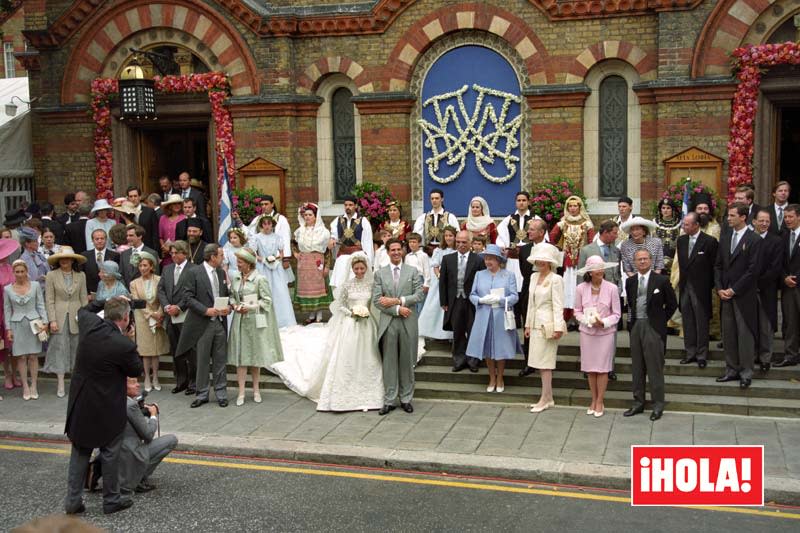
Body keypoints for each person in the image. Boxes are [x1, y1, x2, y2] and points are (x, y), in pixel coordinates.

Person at [272, 253, 385, 411]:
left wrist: (366, 313)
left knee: (369, 356)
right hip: (351, 323)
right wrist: (351, 313)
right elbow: (340, 305)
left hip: (367, 324)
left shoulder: (370, 285)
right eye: (356, 268)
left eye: (362, 268)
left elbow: (374, 304)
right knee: (347, 354)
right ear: (352, 269)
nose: (359, 271)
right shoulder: (347, 285)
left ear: (366, 268)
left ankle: (369, 391)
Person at [63, 297, 143, 515]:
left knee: (80, 451)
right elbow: (137, 370)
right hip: (108, 405)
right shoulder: (123, 344)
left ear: (106, 314)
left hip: (81, 402)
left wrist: (105, 300)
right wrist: (130, 339)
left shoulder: (89, 325)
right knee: (109, 452)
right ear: (126, 318)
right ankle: (111, 500)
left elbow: (83, 308)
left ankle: (72, 501)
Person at [624, 249, 678, 421]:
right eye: (639, 259)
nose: (642, 262)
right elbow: (631, 305)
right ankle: (638, 402)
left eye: (645, 259)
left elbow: (672, 304)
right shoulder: (631, 281)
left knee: (654, 367)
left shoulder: (661, 280)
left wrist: (660, 321)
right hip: (636, 326)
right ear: (634, 261)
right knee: (637, 367)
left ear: (651, 260)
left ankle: (658, 404)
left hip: (653, 327)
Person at [372, 238, 424, 415]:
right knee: (390, 362)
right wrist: (396, 309)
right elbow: (377, 301)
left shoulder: (413, 271)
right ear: (387, 252)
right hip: (389, 322)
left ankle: (406, 398)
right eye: (392, 250)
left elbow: (418, 295)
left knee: (407, 361)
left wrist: (398, 301)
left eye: (398, 249)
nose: (395, 252)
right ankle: (389, 399)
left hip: (408, 321)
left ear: (402, 251)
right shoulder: (380, 273)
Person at [176, 244, 231, 408]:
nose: (223, 258)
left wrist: (228, 307)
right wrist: (205, 310)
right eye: (221, 255)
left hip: (219, 322)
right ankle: (202, 393)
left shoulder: (221, 272)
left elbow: (224, 295)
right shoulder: (193, 272)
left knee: (220, 360)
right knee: (202, 360)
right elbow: (187, 297)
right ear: (212, 256)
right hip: (202, 323)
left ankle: (221, 392)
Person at [714, 203, 762, 389]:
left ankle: (746, 372)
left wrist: (734, 289)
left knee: (745, 335)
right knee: (729, 335)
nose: (728, 218)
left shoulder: (754, 239)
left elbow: (753, 270)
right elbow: (718, 266)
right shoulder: (725, 238)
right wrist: (720, 288)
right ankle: (731, 369)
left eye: (732, 215)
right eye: (728, 215)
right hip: (725, 295)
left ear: (743, 217)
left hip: (743, 296)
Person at [228, 248, 284, 405]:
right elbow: (232, 296)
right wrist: (235, 305)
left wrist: (250, 306)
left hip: (254, 321)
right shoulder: (236, 278)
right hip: (239, 321)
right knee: (241, 357)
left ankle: (256, 389)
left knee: (254, 356)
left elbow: (267, 300)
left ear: (248, 263)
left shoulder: (260, 279)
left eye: (240, 262)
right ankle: (240, 392)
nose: (237, 264)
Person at [467, 244, 522, 394]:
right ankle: (492, 377)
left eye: (491, 259)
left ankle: (500, 377)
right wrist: (481, 300)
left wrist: (500, 300)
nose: (488, 262)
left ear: (499, 260)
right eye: (486, 259)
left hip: (500, 316)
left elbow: (514, 297)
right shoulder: (479, 274)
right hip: (484, 315)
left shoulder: (508, 275)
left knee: (500, 348)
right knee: (487, 348)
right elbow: (472, 295)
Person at [574, 255, 621, 418]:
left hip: (605, 334)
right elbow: (577, 311)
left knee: (602, 369)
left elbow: (617, 314)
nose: (600, 271)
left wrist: (604, 322)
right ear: (590, 272)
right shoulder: (581, 288)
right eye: (596, 269)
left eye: (601, 268)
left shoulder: (612, 288)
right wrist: (587, 320)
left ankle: (600, 400)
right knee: (590, 368)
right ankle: (593, 399)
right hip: (587, 333)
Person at [524, 243, 566, 412]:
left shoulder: (556, 279)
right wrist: (527, 324)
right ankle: (547, 397)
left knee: (545, 363)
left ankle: (546, 397)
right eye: (539, 259)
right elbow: (530, 304)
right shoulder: (534, 277)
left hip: (548, 325)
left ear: (550, 262)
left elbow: (558, 305)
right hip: (534, 324)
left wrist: (558, 327)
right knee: (538, 362)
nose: (541, 262)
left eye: (544, 260)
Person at [119, 377, 178, 495]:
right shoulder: (130, 405)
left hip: (112, 454)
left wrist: (139, 410)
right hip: (129, 454)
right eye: (133, 383)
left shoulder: (110, 399)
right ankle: (138, 478)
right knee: (171, 440)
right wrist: (153, 415)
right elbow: (148, 435)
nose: (138, 385)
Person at [43, 247, 88, 398]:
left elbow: (84, 299)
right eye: (62, 258)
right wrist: (52, 320)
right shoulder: (51, 275)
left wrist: (84, 318)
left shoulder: (80, 276)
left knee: (77, 350)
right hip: (59, 316)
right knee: (59, 349)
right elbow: (49, 299)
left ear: (73, 260)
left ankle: (75, 383)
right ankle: (61, 383)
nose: (65, 261)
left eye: (68, 258)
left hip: (76, 317)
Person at [675, 212, 718, 369]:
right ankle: (690, 353)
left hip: (701, 289)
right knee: (688, 322)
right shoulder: (681, 241)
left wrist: (710, 285)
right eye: (683, 224)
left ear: (696, 225)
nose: (684, 227)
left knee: (701, 323)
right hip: (686, 287)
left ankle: (702, 354)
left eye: (687, 224)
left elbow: (715, 267)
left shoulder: (709, 242)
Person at [439, 230, 486, 372]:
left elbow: (482, 282)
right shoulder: (447, 259)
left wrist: (481, 302)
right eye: (458, 242)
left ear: (470, 243)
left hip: (472, 301)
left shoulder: (478, 260)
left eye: (464, 242)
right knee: (458, 331)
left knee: (473, 330)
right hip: (455, 300)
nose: (460, 245)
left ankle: (473, 360)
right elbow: (443, 282)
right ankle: (459, 359)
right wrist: (444, 302)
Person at [4, 259, 48, 401]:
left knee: (33, 356)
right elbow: (7, 310)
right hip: (16, 325)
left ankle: (34, 385)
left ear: (26, 272)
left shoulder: (35, 286)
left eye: (22, 271)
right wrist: (8, 329)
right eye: (17, 272)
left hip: (34, 323)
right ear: (13, 273)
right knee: (21, 357)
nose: (20, 274)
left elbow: (41, 304)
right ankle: (25, 386)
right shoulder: (7, 289)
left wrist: (45, 322)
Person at [157, 240, 197, 394]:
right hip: (170, 316)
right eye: (171, 253)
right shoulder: (167, 269)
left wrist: (179, 307)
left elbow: (193, 292)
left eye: (176, 253)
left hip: (186, 315)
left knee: (190, 350)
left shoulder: (193, 269)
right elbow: (161, 289)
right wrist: (167, 306)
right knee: (176, 350)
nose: (173, 256)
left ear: (184, 253)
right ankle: (181, 381)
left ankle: (193, 383)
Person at [549, 195, 594, 326]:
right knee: (567, 288)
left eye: (575, 206)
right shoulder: (563, 223)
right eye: (570, 206)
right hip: (567, 262)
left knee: (581, 287)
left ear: (580, 208)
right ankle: (568, 318)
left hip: (582, 261)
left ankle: (580, 317)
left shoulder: (587, 224)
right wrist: (558, 250)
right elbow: (552, 237)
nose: (573, 208)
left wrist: (588, 257)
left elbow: (591, 243)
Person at [129, 251, 169, 392]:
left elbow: (163, 297)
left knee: (155, 350)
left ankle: (156, 377)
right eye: (140, 265)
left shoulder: (159, 279)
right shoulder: (134, 283)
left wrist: (159, 313)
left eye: (145, 265)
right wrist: (151, 314)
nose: (143, 268)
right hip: (142, 318)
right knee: (145, 351)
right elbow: (137, 302)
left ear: (151, 266)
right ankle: (147, 377)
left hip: (158, 317)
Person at [249, 215, 296, 328]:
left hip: (275, 267)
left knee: (279, 291)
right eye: (264, 224)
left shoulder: (277, 237)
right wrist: (264, 260)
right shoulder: (256, 238)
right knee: (264, 290)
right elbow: (254, 254)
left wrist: (275, 259)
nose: (267, 226)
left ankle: (282, 320)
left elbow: (281, 253)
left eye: (269, 224)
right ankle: (263, 320)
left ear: (272, 225)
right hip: (262, 267)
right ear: (261, 225)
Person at [753, 208, 783, 372]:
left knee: (765, 326)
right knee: (751, 326)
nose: (764, 224)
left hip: (767, 290)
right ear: (754, 222)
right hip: (748, 290)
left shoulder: (776, 241)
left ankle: (765, 359)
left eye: (767, 221)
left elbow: (775, 268)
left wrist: (759, 283)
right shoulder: (748, 239)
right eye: (761, 221)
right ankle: (752, 356)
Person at [517, 219, 547, 377]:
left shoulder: (552, 249)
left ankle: (544, 363)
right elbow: (524, 271)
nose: (528, 232)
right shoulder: (524, 250)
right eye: (529, 229)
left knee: (544, 328)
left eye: (532, 229)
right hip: (528, 292)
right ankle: (528, 362)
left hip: (546, 295)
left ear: (541, 232)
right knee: (528, 328)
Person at [293, 203, 333, 324]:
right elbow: (293, 243)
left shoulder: (323, 232)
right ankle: (311, 315)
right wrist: (296, 254)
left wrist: (326, 266)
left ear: (316, 216)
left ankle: (319, 315)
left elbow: (328, 251)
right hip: (304, 263)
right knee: (308, 289)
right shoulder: (300, 231)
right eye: (305, 215)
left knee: (318, 288)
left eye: (310, 215)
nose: (307, 217)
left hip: (317, 261)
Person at [241, 195, 294, 284]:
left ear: (272, 204)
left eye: (266, 204)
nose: (264, 206)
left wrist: (286, 258)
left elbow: (285, 238)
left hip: (277, 259)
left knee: (278, 283)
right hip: (261, 260)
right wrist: (239, 221)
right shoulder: (257, 219)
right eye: (262, 204)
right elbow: (250, 235)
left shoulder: (281, 219)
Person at [418, 226, 457, 342]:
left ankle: (450, 335)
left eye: (451, 235)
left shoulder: (457, 250)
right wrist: (441, 277)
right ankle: (434, 332)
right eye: (446, 236)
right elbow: (435, 267)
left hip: (453, 282)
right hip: (440, 282)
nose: (448, 238)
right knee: (435, 306)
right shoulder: (439, 251)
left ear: (455, 237)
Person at [496, 191, 540, 289]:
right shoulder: (509, 218)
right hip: (513, 258)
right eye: (518, 200)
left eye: (524, 200)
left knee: (528, 284)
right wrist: (503, 246)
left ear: (529, 202)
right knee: (512, 284)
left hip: (530, 257)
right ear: (515, 202)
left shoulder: (535, 218)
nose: (521, 202)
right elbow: (501, 234)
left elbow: (542, 236)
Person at [777, 204, 800, 367]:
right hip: (788, 287)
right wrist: (784, 277)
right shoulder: (783, 235)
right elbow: (779, 261)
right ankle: (791, 355)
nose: (787, 220)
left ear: (799, 217)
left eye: (790, 217)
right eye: (785, 217)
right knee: (790, 321)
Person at [404, 232, 431, 360]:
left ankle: (421, 331)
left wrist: (426, 284)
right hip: (410, 281)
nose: (412, 244)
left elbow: (427, 271)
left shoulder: (423, 255)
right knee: (412, 305)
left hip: (420, 280)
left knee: (420, 306)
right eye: (410, 242)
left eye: (414, 242)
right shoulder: (408, 256)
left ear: (419, 243)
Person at [413, 188, 459, 255]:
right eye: (432, 198)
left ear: (442, 199)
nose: (434, 200)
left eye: (437, 198)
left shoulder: (450, 217)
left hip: (445, 251)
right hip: (428, 252)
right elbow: (417, 235)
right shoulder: (423, 217)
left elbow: (457, 234)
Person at [0, 238, 19, 390]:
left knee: (15, 347)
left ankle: (15, 374)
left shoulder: (10, 268)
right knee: (4, 347)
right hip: (1, 311)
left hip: (13, 310)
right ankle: (7, 374)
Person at [80, 229, 120, 297]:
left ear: (106, 240)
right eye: (97, 239)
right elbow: (82, 276)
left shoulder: (115, 255)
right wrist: (86, 293)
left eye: (102, 238)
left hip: (110, 294)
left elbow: (117, 275)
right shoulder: (85, 255)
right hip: (90, 294)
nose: (99, 241)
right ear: (92, 240)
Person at [119, 224, 160, 289]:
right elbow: (121, 274)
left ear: (140, 236)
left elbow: (155, 275)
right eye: (127, 236)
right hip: (127, 293)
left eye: (131, 235)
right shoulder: (124, 254)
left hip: (144, 292)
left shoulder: (151, 253)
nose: (128, 238)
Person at [124, 186, 160, 254]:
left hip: (148, 249)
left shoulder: (150, 212)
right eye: (131, 196)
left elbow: (155, 234)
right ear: (128, 198)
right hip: (131, 250)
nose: (133, 199)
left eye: (135, 196)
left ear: (140, 197)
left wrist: (157, 253)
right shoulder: (125, 214)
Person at [654, 198, 682, 276]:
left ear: (673, 210)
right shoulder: (654, 224)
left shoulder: (680, 225)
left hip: (675, 261)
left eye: (668, 208)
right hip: (657, 260)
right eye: (663, 208)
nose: (665, 210)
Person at [157, 194, 186, 266]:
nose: (177, 205)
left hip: (179, 251)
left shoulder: (184, 218)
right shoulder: (163, 218)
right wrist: (164, 247)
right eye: (174, 204)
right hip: (166, 255)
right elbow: (160, 236)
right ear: (170, 206)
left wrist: (172, 249)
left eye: (179, 203)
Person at [19, 227, 49, 291]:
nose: (37, 243)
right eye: (35, 241)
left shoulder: (39, 255)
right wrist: (39, 278)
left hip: (45, 289)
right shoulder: (23, 260)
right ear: (27, 244)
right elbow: (27, 279)